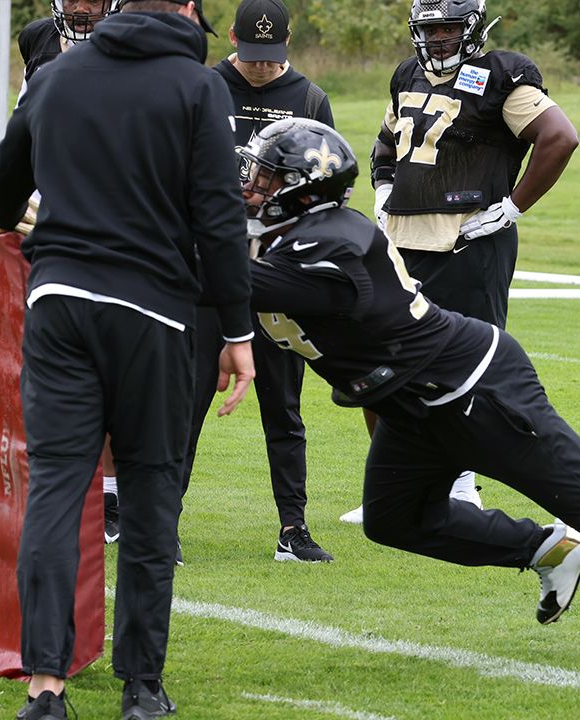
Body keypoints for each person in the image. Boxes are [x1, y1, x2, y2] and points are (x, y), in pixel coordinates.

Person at [240, 117, 580, 678]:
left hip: (476, 390)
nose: (252, 186)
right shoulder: (290, 235)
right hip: (413, 406)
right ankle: (548, 549)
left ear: (303, 189)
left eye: (266, 178)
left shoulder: (330, 241)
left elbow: (250, 282)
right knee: (393, 520)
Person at [0, 0, 256, 717]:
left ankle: (45, 684)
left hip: (61, 302)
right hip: (152, 311)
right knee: (149, 495)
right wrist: (237, 330)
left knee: (55, 489)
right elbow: (220, 216)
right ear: (190, 10)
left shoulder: (57, 73)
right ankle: (142, 686)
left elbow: (3, 192)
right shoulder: (199, 86)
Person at [340, 0, 579, 524]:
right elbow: (384, 146)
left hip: (467, 241)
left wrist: (512, 207)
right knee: (379, 368)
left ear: (473, 28)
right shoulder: (407, 74)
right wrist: (383, 190)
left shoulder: (500, 75)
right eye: (430, 29)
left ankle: (461, 484)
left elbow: (559, 138)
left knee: (461, 371)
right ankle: (392, 486)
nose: (439, 38)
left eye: (449, 28)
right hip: (400, 243)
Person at [178, 0, 337, 563]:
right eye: (252, 57)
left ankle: (293, 530)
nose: (263, 68)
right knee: (187, 401)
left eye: (272, 58)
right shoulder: (201, 86)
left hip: (275, 273)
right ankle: (161, 525)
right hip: (204, 269)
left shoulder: (309, 98)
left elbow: (326, 186)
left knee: (283, 405)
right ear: (231, 40)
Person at [14, 0, 126, 545]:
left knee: (115, 377)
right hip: (48, 219)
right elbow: (23, 130)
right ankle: (71, 492)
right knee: (53, 370)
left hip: (118, 224)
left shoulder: (136, 41)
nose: (84, 6)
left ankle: (113, 494)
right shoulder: (38, 39)